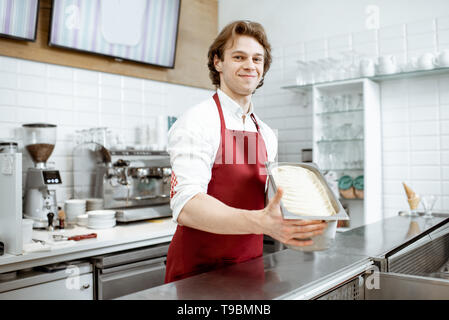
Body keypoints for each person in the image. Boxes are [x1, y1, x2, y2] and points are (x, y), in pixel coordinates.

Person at [164, 20, 327, 283]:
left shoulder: (265, 133)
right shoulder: (197, 121)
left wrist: (306, 213)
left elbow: (264, 201)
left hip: (249, 269)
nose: (250, 65)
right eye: (239, 57)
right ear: (218, 62)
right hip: (198, 274)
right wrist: (261, 222)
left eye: (257, 59)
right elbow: (187, 206)